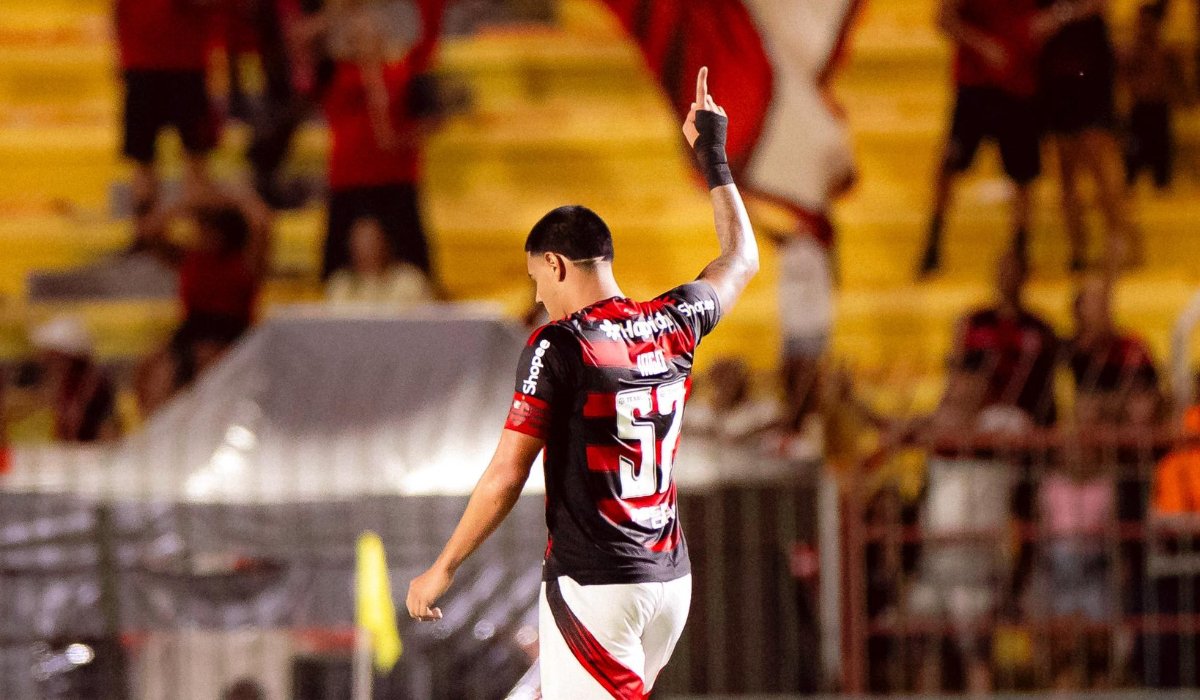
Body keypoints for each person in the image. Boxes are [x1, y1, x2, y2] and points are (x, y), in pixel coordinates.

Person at [406, 68, 759, 698]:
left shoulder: (559, 345)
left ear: (555, 263)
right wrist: (713, 158)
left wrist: (443, 567)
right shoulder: (671, 321)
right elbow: (741, 259)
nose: (538, 297)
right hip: (668, 583)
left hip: (599, 587)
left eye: (538, 279)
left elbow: (507, 474)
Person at [321, 0, 444, 280]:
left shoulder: (401, 72)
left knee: (412, 261)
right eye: (355, 36)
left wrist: (406, 139)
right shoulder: (335, 74)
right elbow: (303, 48)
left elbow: (431, 117)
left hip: (396, 176)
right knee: (340, 267)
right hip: (349, 178)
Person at [918, 0, 1042, 276]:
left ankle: (1021, 250)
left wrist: (1045, 24)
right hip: (976, 85)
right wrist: (983, 45)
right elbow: (944, 18)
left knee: (1022, 175)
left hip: (1019, 85)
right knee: (950, 164)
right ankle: (933, 243)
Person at [1033, 0, 1140, 271]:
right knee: (1065, 165)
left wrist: (1059, 16)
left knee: (1100, 159)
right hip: (1056, 72)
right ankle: (1077, 248)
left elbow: (1099, 6)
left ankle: (1122, 243)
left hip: (1089, 69)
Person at [115, 0, 220, 237]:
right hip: (145, 64)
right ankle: (146, 238)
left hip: (185, 65)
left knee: (195, 158)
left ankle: (202, 240)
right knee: (143, 160)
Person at [949, 251, 1060, 427]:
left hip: (1024, 413)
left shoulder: (1040, 328)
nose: (1008, 278)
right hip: (977, 410)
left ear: (1024, 276)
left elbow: (1048, 380)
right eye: (1003, 271)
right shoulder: (973, 322)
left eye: (1013, 272)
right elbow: (957, 367)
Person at [1120, 2, 1189, 190]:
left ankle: (1162, 188)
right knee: (1133, 155)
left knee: (1161, 155)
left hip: (1159, 107)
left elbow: (1177, 79)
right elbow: (1123, 76)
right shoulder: (1131, 50)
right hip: (1139, 107)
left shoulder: (1167, 51)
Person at [325, 216, 435, 307]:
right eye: (360, 242)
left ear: (385, 243)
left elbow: (427, 326)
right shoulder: (340, 285)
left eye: (371, 240)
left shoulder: (410, 281)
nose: (366, 248)